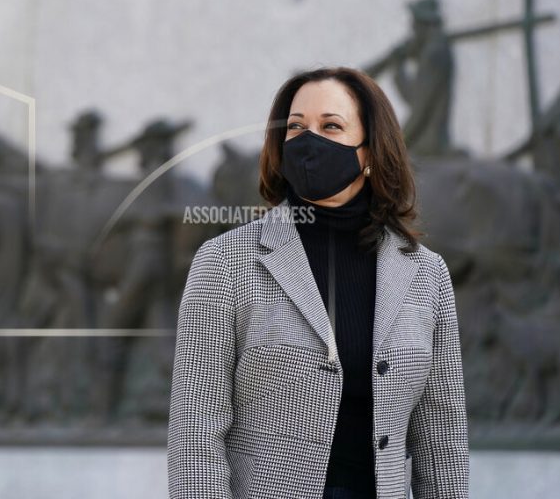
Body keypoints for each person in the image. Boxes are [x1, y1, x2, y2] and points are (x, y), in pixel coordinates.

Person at [167, 66, 469, 499]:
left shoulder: (426, 274)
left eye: (331, 126)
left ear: (369, 150)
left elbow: (441, 438)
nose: (310, 141)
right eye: (296, 127)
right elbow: (196, 432)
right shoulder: (225, 262)